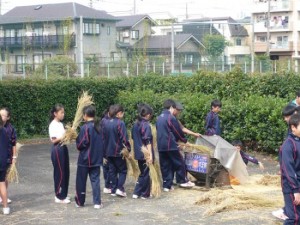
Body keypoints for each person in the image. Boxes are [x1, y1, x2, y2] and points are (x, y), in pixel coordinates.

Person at [156, 99, 195, 192]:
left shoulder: (159, 117)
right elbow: (177, 131)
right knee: (179, 162)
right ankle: (183, 181)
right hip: (170, 144)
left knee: (166, 165)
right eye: (175, 109)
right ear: (171, 107)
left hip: (161, 145)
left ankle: (167, 185)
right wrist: (185, 141)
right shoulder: (170, 118)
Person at [75, 105, 104, 209]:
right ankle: (97, 202)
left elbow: (81, 143)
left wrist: (77, 141)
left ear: (85, 115)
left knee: (81, 181)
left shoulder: (85, 127)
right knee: (95, 180)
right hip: (96, 159)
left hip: (85, 159)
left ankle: (80, 202)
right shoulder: (99, 126)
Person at [104, 104, 131, 197]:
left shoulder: (106, 122)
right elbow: (124, 138)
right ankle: (120, 188)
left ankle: (113, 189)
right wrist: (128, 149)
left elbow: (103, 138)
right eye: (122, 113)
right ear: (119, 113)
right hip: (118, 151)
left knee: (112, 171)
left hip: (108, 152)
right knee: (123, 170)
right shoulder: (120, 123)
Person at [279, 113, 300, 224]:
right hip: (292, 186)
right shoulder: (288, 145)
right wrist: (295, 190)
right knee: (294, 218)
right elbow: (288, 169)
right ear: (293, 127)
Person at [49, 104, 70, 204]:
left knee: (66, 171)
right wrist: (65, 136)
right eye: (61, 112)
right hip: (57, 149)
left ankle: (64, 194)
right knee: (60, 172)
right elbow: (54, 140)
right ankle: (58, 196)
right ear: (55, 113)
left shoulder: (61, 124)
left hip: (63, 147)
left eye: (63, 112)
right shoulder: (52, 125)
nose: (63, 114)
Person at [132, 103, 154, 199]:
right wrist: (150, 155)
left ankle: (137, 193)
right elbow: (148, 141)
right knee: (145, 174)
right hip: (145, 153)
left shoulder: (135, 125)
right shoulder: (146, 125)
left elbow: (133, 137)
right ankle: (144, 194)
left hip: (138, 152)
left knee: (143, 172)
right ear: (148, 114)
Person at [0, 107, 17, 204]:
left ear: (8, 117)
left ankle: (3, 196)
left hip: (6, 156)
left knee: (5, 177)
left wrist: (14, 156)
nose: (1, 117)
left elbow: (14, 143)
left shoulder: (10, 129)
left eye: (3, 115)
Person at [0, 116, 10, 215]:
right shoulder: (4, 130)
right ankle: (5, 207)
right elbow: (8, 145)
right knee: (2, 182)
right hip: (3, 160)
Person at [100, 108, 112, 194]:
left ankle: (107, 185)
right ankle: (108, 185)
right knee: (109, 167)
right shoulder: (107, 122)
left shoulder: (102, 121)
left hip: (102, 148)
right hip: (107, 148)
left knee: (105, 167)